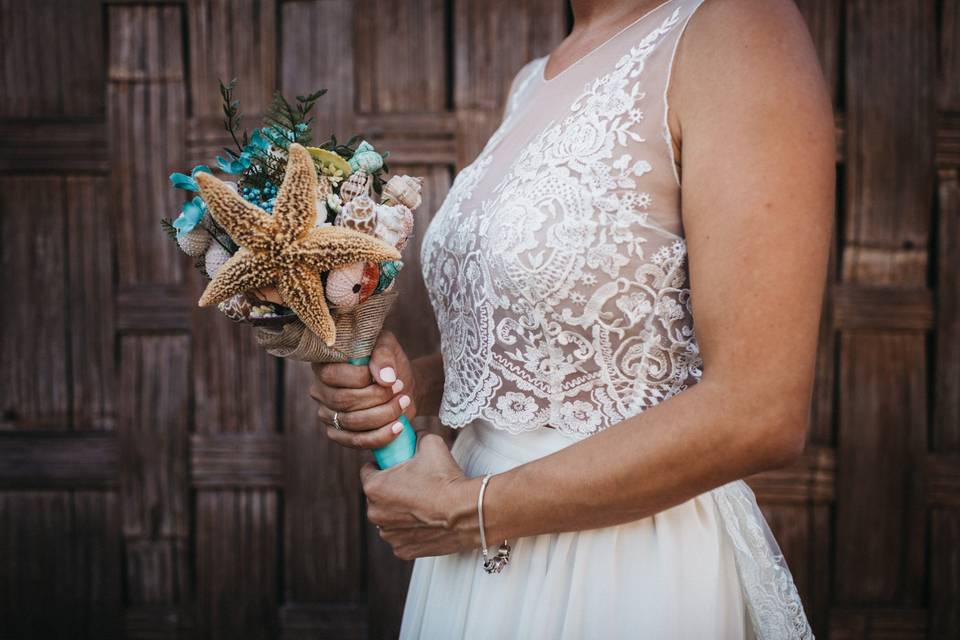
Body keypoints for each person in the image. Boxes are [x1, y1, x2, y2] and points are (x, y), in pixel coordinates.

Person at [309, 0, 834, 637]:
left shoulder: (738, 28)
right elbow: (563, 342)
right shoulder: (534, 79)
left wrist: (471, 510)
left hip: (622, 567)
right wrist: (411, 384)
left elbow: (761, 410)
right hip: (473, 563)